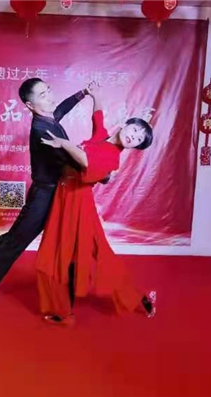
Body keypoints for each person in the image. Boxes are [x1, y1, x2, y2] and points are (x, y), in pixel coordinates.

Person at [0, 78, 95, 306]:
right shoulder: (41, 129)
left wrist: (83, 93)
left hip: (64, 192)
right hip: (44, 196)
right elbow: (69, 160)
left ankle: (69, 290)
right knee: (14, 241)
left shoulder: (48, 118)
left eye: (48, 90)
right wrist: (99, 171)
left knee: (71, 240)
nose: (49, 96)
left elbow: (60, 110)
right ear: (30, 105)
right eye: (42, 95)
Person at [36, 84, 156, 325]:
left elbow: (85, 161)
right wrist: (94, 94)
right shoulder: (102, 135)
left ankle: (137, 298)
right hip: (64, 197)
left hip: (78, 204)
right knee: (58, 255)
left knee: (89, 255)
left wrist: (64, 144)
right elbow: (98, 115)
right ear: (126, 124)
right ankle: (65, 311)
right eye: (135, 130)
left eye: (138, 140)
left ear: (134, 147)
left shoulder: (113, 159)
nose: (133, 137)